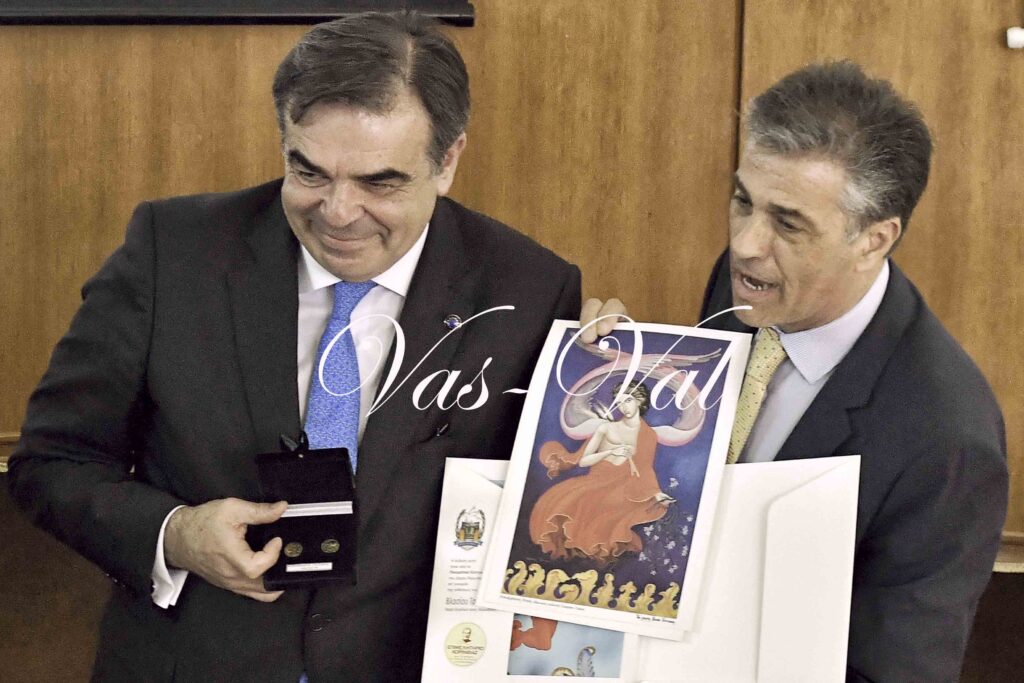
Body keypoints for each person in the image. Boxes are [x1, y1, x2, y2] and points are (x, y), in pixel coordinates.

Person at [7, 13, 620, 682]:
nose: (337, 212)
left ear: (447, 161)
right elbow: (53, 461)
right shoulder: (171, 252)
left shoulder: (529, 290)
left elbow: (556, 514)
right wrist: (174, 533)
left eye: (378, 182)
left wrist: (618, 380)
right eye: (309, 172)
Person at [695, 62, 1006, 681]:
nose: (746, 244)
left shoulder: (947, 442)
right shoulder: (754, 285)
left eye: (788, 223)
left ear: (874, 240)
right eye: (743, 202)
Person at [529, 381, 672, 565]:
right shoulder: (607, 428)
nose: (624, 407)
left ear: (640, 400)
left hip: (626, 485)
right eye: (619, 402)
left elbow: (645, 469)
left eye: (628, 400)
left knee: (616, 505)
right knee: (577, 500)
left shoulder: (649, 435)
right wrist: (611, 452)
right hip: (597, 479)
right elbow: (584, 461)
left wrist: (656, 493)